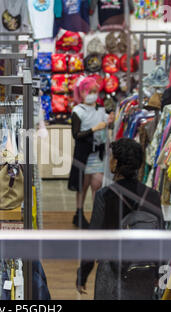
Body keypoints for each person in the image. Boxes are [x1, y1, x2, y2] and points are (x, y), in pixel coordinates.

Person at [76, 138, 164, 300]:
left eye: (111, 157)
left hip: (112, 272)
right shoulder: (153, 196)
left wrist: (83, 274)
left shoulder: (105, 195)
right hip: (143, 272)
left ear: (116, 162)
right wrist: (163, 278)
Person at [68, 76, 114, 229]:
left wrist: (111, 120)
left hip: (98, 154)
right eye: (89, 91)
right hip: (83, 154)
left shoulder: (101, 110)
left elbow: (109, 121)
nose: (92, 94)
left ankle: (97, 216)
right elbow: (76, 134)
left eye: (95, 91)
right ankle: (79, 214)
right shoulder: (78, 111)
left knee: (97, 185)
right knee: (82, 185)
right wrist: (95, 128)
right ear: (81, 92)